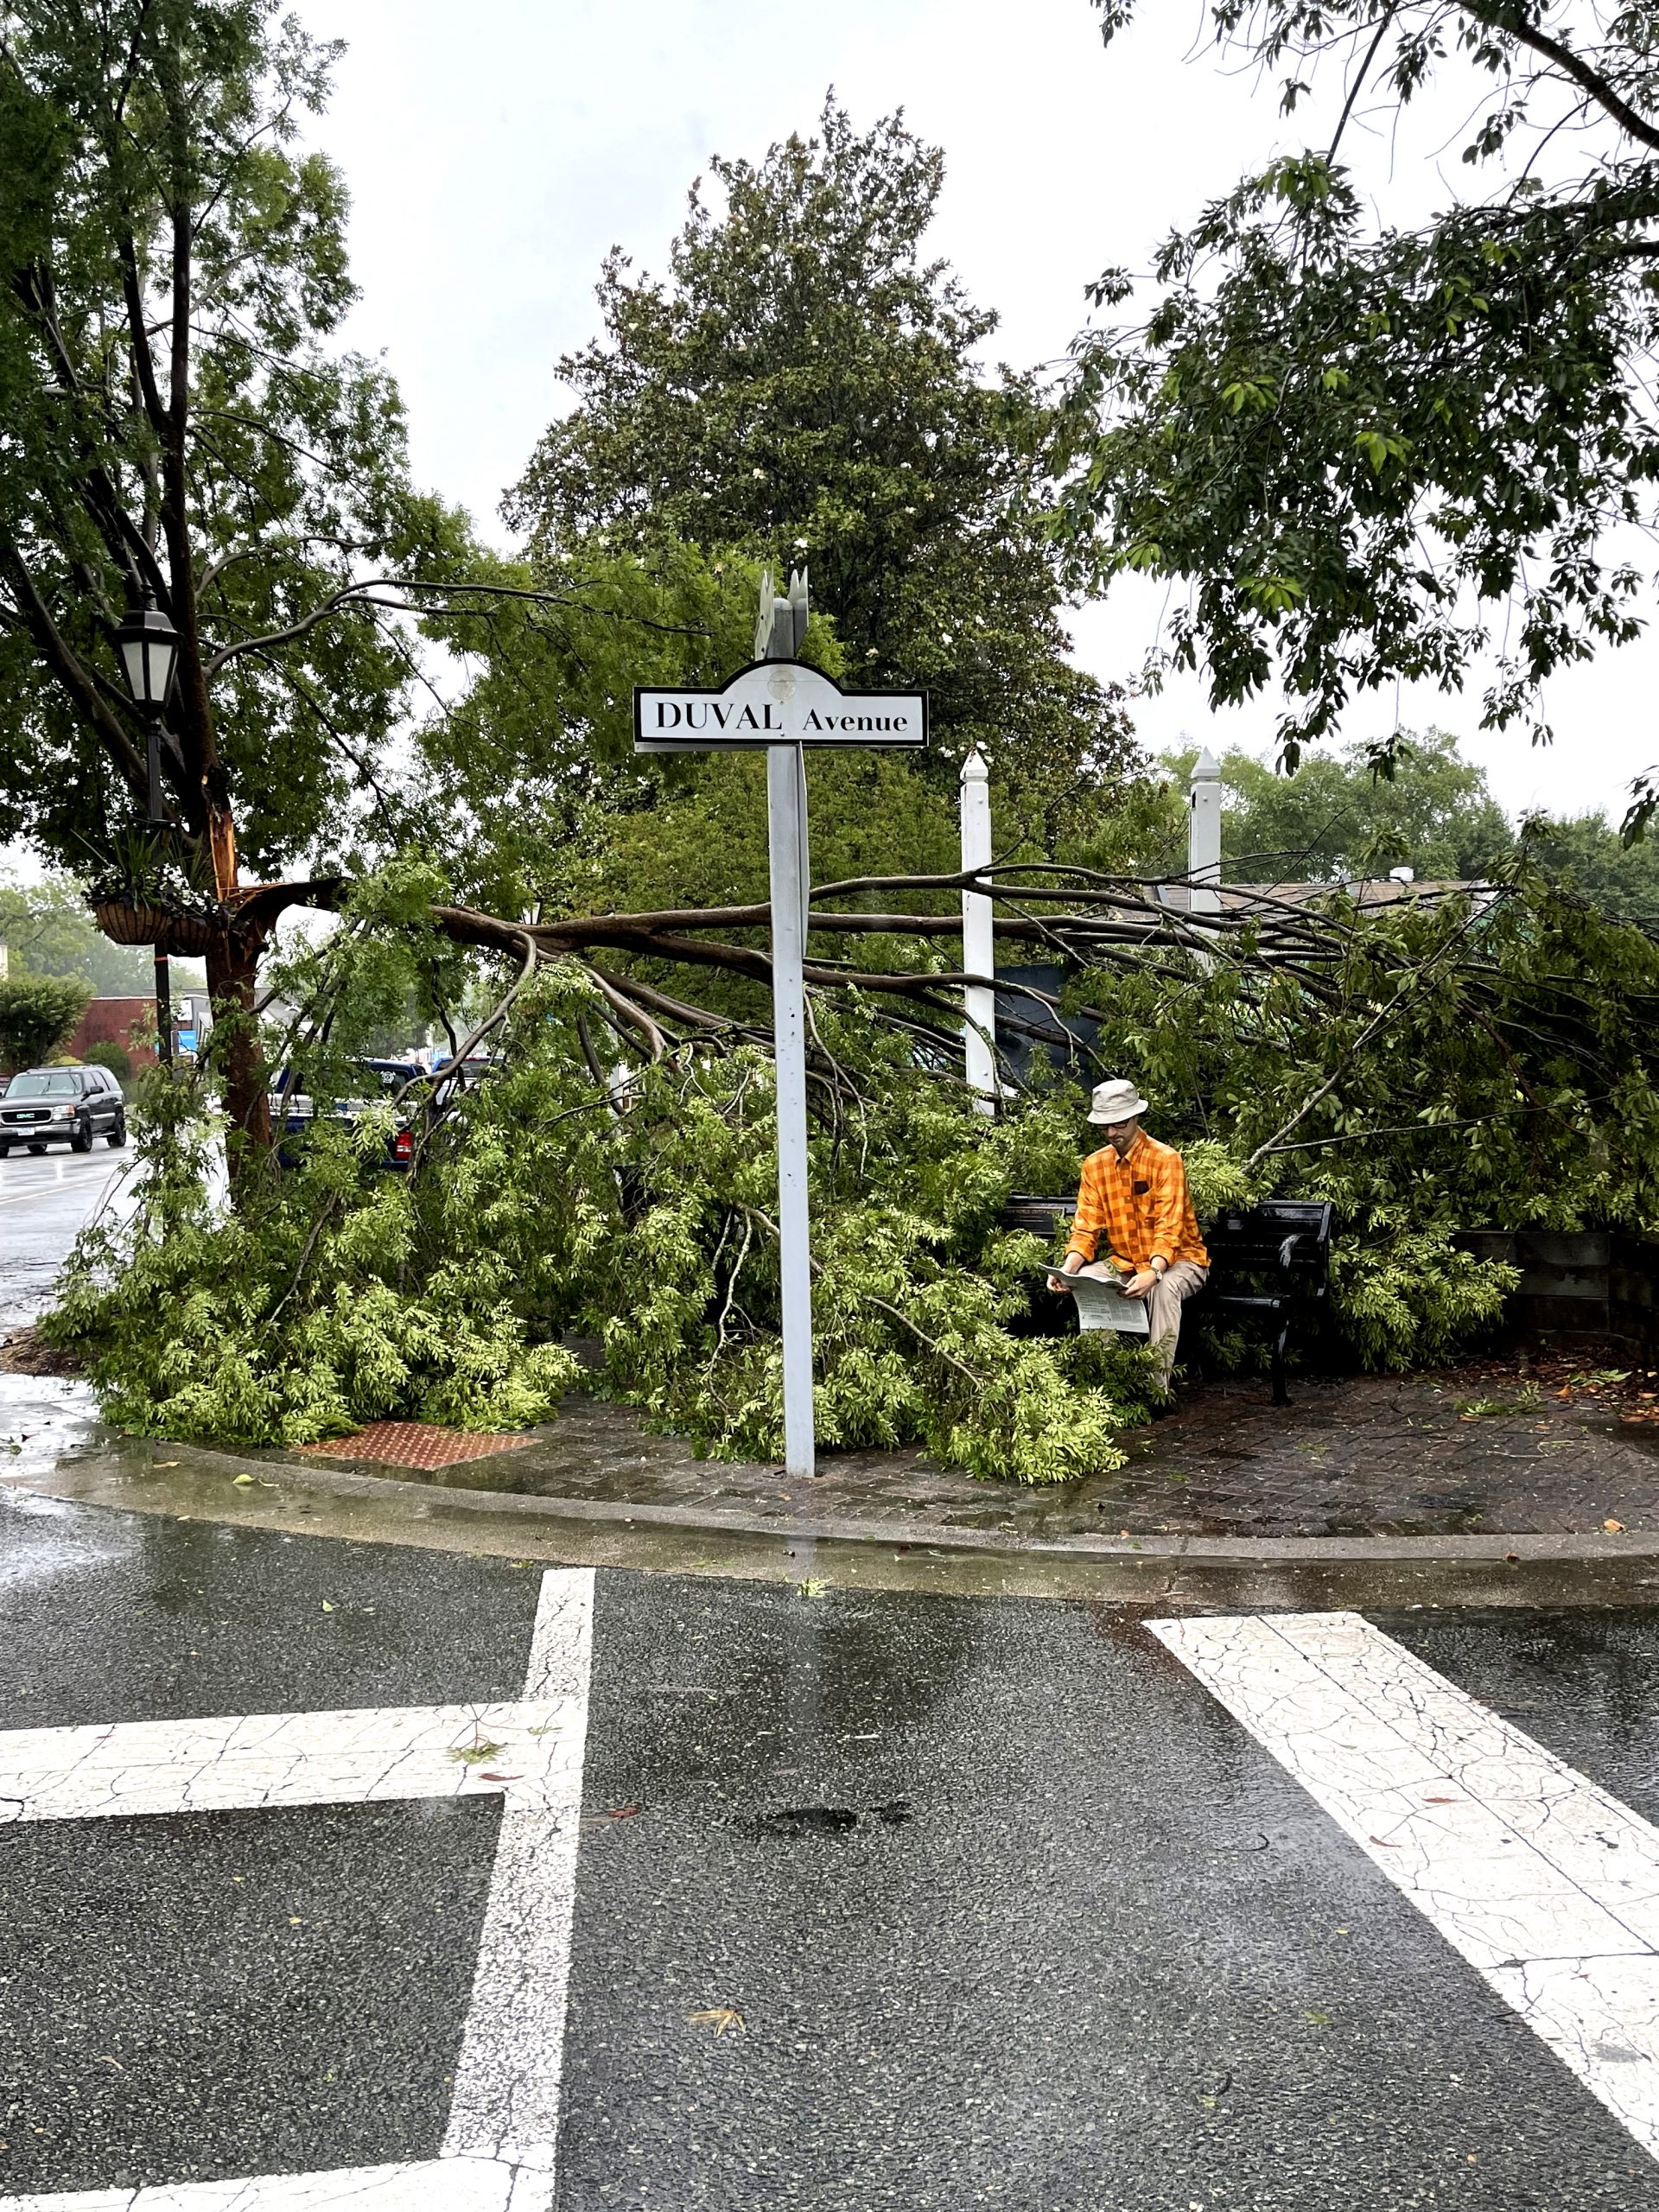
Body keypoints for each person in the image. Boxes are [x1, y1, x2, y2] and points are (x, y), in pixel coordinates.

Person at [1047, 1077, 1210, 1392]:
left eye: (1118, 1123)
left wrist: (1155, 1271)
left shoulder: (1166, 1159)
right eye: (1104, 1126)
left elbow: (1170, 1226)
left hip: (1182, 1261)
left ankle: (1155, 1389)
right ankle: (1103, 1382)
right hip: (1125, 1262)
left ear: (1135, 1117)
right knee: (1088, 1276)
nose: (1111, 1133)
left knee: (1164, 1288)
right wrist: (1067, 1270)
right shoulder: (1094, 1166)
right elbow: (1086, 1227)